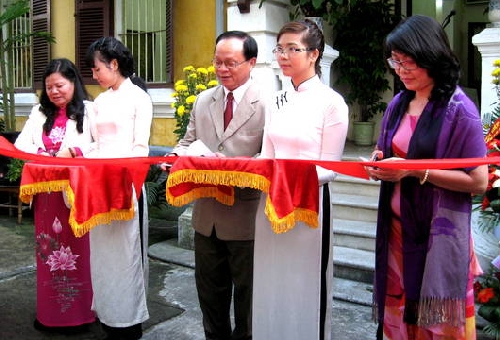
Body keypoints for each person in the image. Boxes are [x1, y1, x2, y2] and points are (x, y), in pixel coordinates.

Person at [365, 15, 488, 340]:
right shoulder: (398, 103)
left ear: (432, 59)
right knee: (399, 324)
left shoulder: (459, 109)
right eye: (396, 61)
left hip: (438, 240)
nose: (400, 70)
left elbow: (478, 181)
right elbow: (387, 150)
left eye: (409, 63)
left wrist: (416, 170)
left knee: (436, 326)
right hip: (396, 237)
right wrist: (379, 164)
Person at [252, 20, 349, 340]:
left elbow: (329, 167)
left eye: (293, 49)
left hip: (309, 205)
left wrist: (288, 178)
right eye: (280, 48)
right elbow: (267, 155)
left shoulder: (331, 102)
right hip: (270, 205)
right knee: (270, 278)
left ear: (314, 55)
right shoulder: (276, 99)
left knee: (303, 283)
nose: (284, 55)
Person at [167, 31, 265, 340]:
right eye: (217, 62)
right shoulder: (204, 99)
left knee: (248, 297)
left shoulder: (268, 104)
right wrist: (175, 155)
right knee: (210, 293)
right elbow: (188, 141)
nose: (222, 70)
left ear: (251, 62)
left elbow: (269, 156)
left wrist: (233, 168)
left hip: (246, 215)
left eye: (231, 63)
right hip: (206, 216)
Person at [14, 58, 96, 332]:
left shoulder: (91, 111)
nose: (54, 91)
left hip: (76, 195)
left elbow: (102, 146)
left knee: (80, 253)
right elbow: (22, 144)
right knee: (48, 251)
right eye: (49, 87)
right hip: (47, 196)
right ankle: (51, 315)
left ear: (73, 83)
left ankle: (82, 315)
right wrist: (39, 154)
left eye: (60, 85)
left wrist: (75, 152)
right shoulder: (39, 113)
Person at [85, 36, 152, 339]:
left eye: (97, 68)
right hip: (100, 189)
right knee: (102, 258)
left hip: (126, 189)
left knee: (128, 258)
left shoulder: (139, 97)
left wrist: (117, 170)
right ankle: (109, 319)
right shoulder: (99, 102)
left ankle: (130, 324)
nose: (94, 75)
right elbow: (95, 145)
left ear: (114, 64)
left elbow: (140, 148)